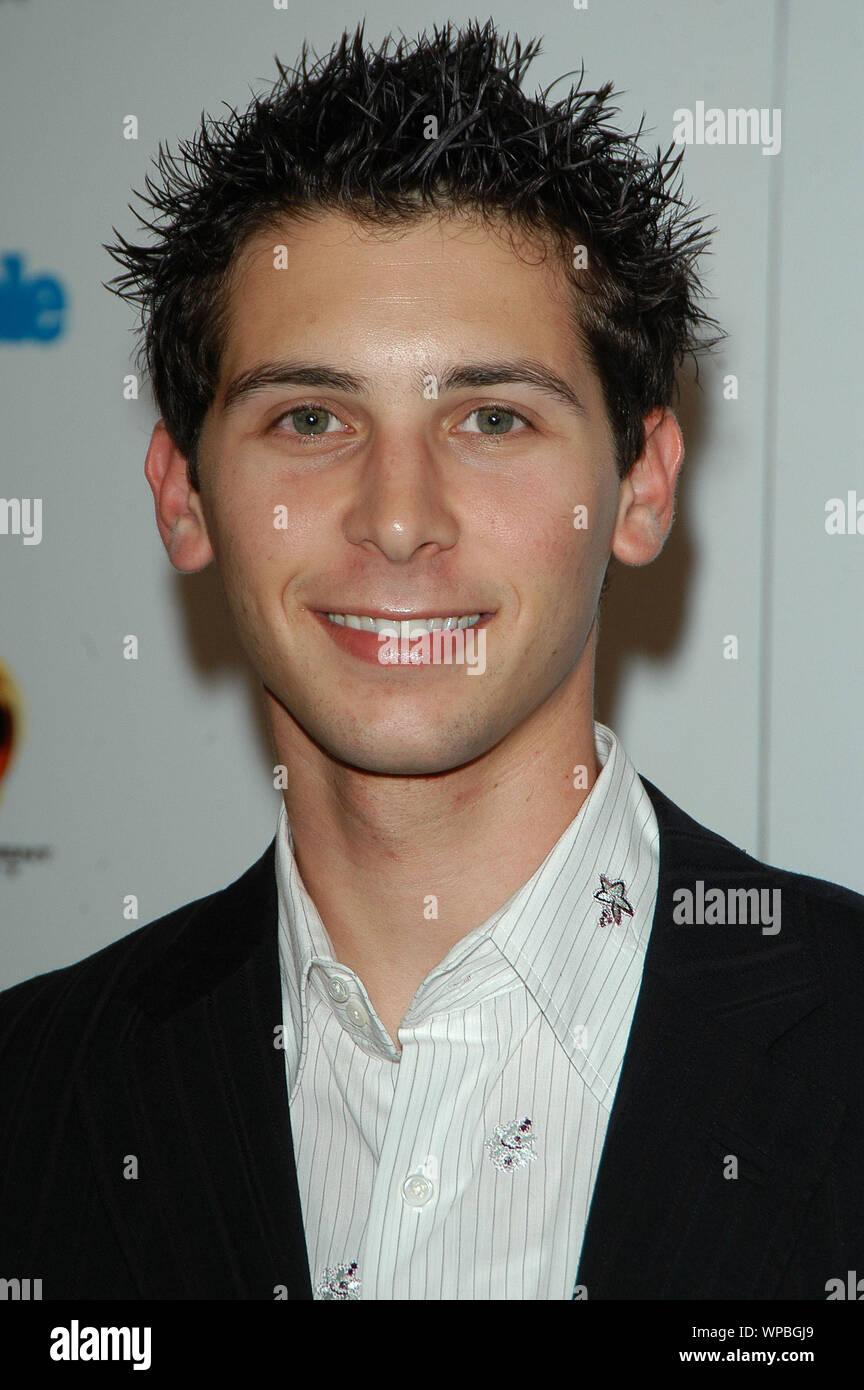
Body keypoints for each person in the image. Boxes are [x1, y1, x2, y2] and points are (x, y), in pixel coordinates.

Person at [1, 19, 862, 1302]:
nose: (397, 516)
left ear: (641, 486)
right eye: (309, 416)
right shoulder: (30, 1097)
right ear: (183, 496)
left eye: (492, 417)